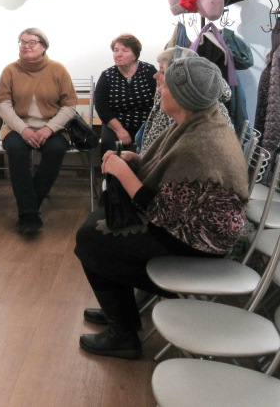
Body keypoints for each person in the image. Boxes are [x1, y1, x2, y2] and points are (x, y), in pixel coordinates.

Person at [74, 56, 248, 360]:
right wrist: (136, 161)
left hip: (198, 244)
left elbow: (162, 214)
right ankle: (122, 312)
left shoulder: (200, 144)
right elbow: (170, 178)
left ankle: (123, 332)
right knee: (100, 225)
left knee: (91, 240)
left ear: (182, 96)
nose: (157, 80)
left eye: (164, 82)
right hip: (187, 227)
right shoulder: (199, 121)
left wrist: (123, 172)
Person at [0, 28, 78, 235]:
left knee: (56, 149)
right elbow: (3, 105)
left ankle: (29, 205)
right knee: (16, 150)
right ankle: (29, 215)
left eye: (32, 42)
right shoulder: (10, 70)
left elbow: (69, 105)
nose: (26, 46)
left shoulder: (58, 70)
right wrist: (23, 130)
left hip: (52, 127)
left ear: (43, 46)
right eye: (22, 42)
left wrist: (49, 129)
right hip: (17, 127)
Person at [139, 47, 232, 154]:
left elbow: (155, 152)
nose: (155, 76)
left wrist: (138, 161)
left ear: (177, 80)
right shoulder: (193, 98)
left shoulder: (181, 107)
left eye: (162, 71)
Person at [94, 34, 157, 155]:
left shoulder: (149, 71)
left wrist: (150, 125)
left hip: (146, 124)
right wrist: (119, 129)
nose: (119, 54)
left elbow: (160, 99)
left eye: (125, 50)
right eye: (116, 50)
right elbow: (101, 107)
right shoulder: (107, 76)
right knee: (110, 147)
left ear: (135, 55)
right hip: (116, 124)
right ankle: (111, 168)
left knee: (154, 145)